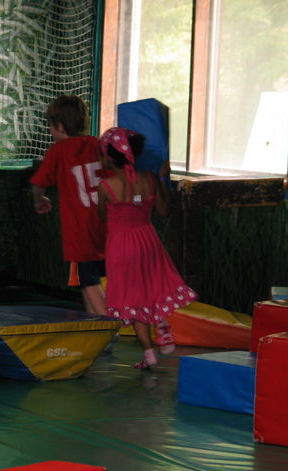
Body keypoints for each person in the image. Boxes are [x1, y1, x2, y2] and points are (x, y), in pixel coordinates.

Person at [97, 127, 198, 369]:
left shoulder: (106, 186)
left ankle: (149, 351)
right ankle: (160, 322)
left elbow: (102, 216)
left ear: (109, 157)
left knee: (132, 299)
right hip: (148, 241)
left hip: (121, 246)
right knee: (152, 287)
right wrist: (163, 179)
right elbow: (163, 211)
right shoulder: (150, 179)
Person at [29, 95, 107, 316]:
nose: (50, 131)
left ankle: (109, 322)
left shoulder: (59, 150)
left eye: (50, 126)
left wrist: (39, 200)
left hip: (79, 230)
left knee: (88, 280)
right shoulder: (98, 144)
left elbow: (38, 183)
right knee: (91, 276)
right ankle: (95, 322)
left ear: (60, 126)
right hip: (105, 224)